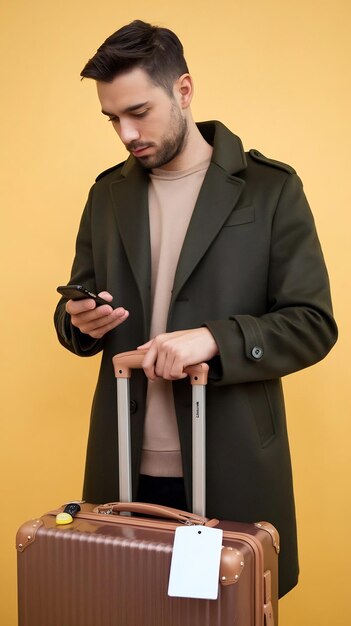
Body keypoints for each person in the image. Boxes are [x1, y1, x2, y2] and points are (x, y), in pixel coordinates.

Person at [54, 20, 337, 597]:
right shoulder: (106, 193)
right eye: (112, 118)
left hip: (228, 460)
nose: (126, 132)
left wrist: (213, 338)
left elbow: (312, 323)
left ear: (183, 90)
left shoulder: (269, 189)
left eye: (138, 111)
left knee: (221, 608)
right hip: (123, 465)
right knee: (123, 607)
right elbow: (78, 308)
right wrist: (81, 323)